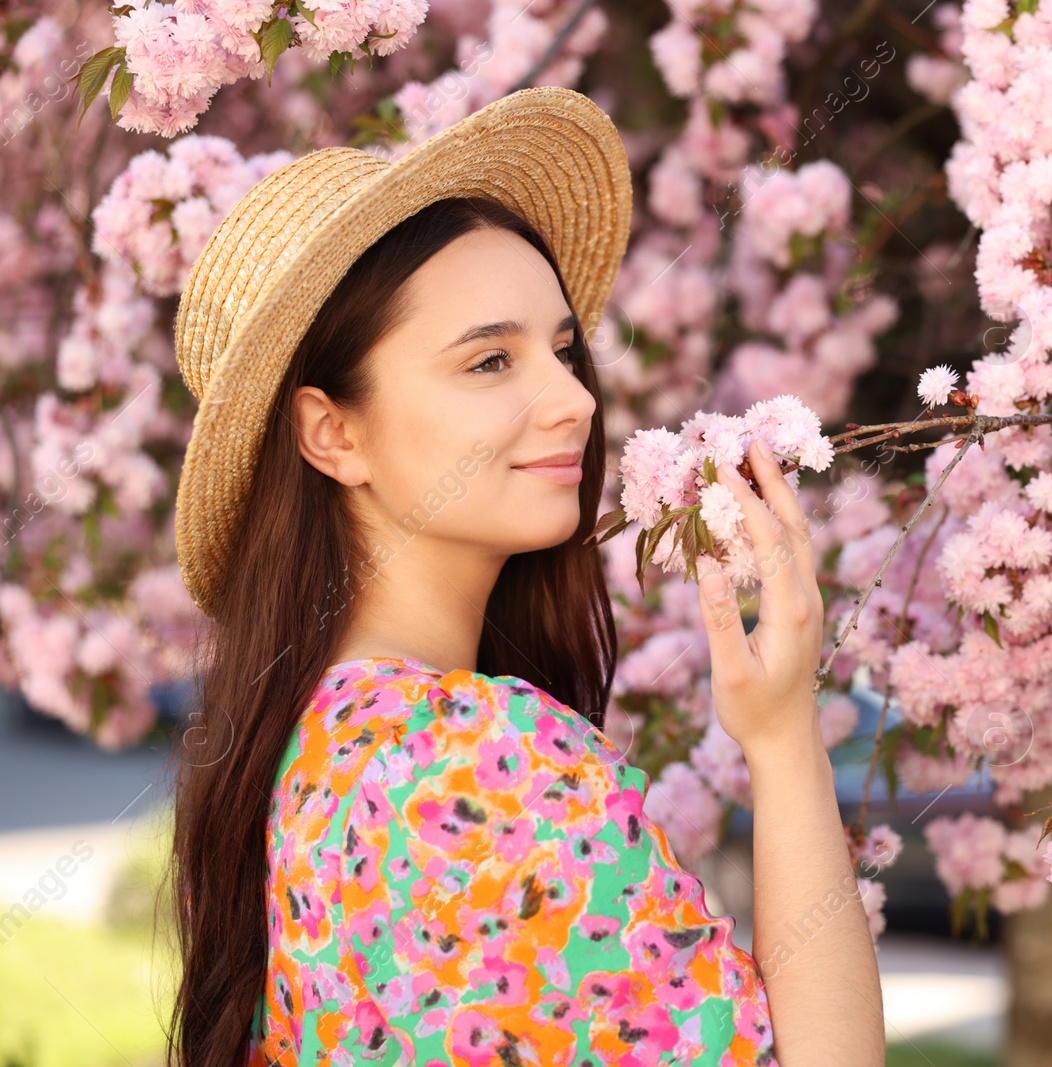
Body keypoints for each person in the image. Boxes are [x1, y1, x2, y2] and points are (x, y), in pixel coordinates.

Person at [162, 87, 883, 1067]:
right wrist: (786, 734)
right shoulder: (483, 760)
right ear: (332, 431)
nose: (574, 398)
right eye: (491, 360)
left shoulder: (287, 752)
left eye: (561, 349)